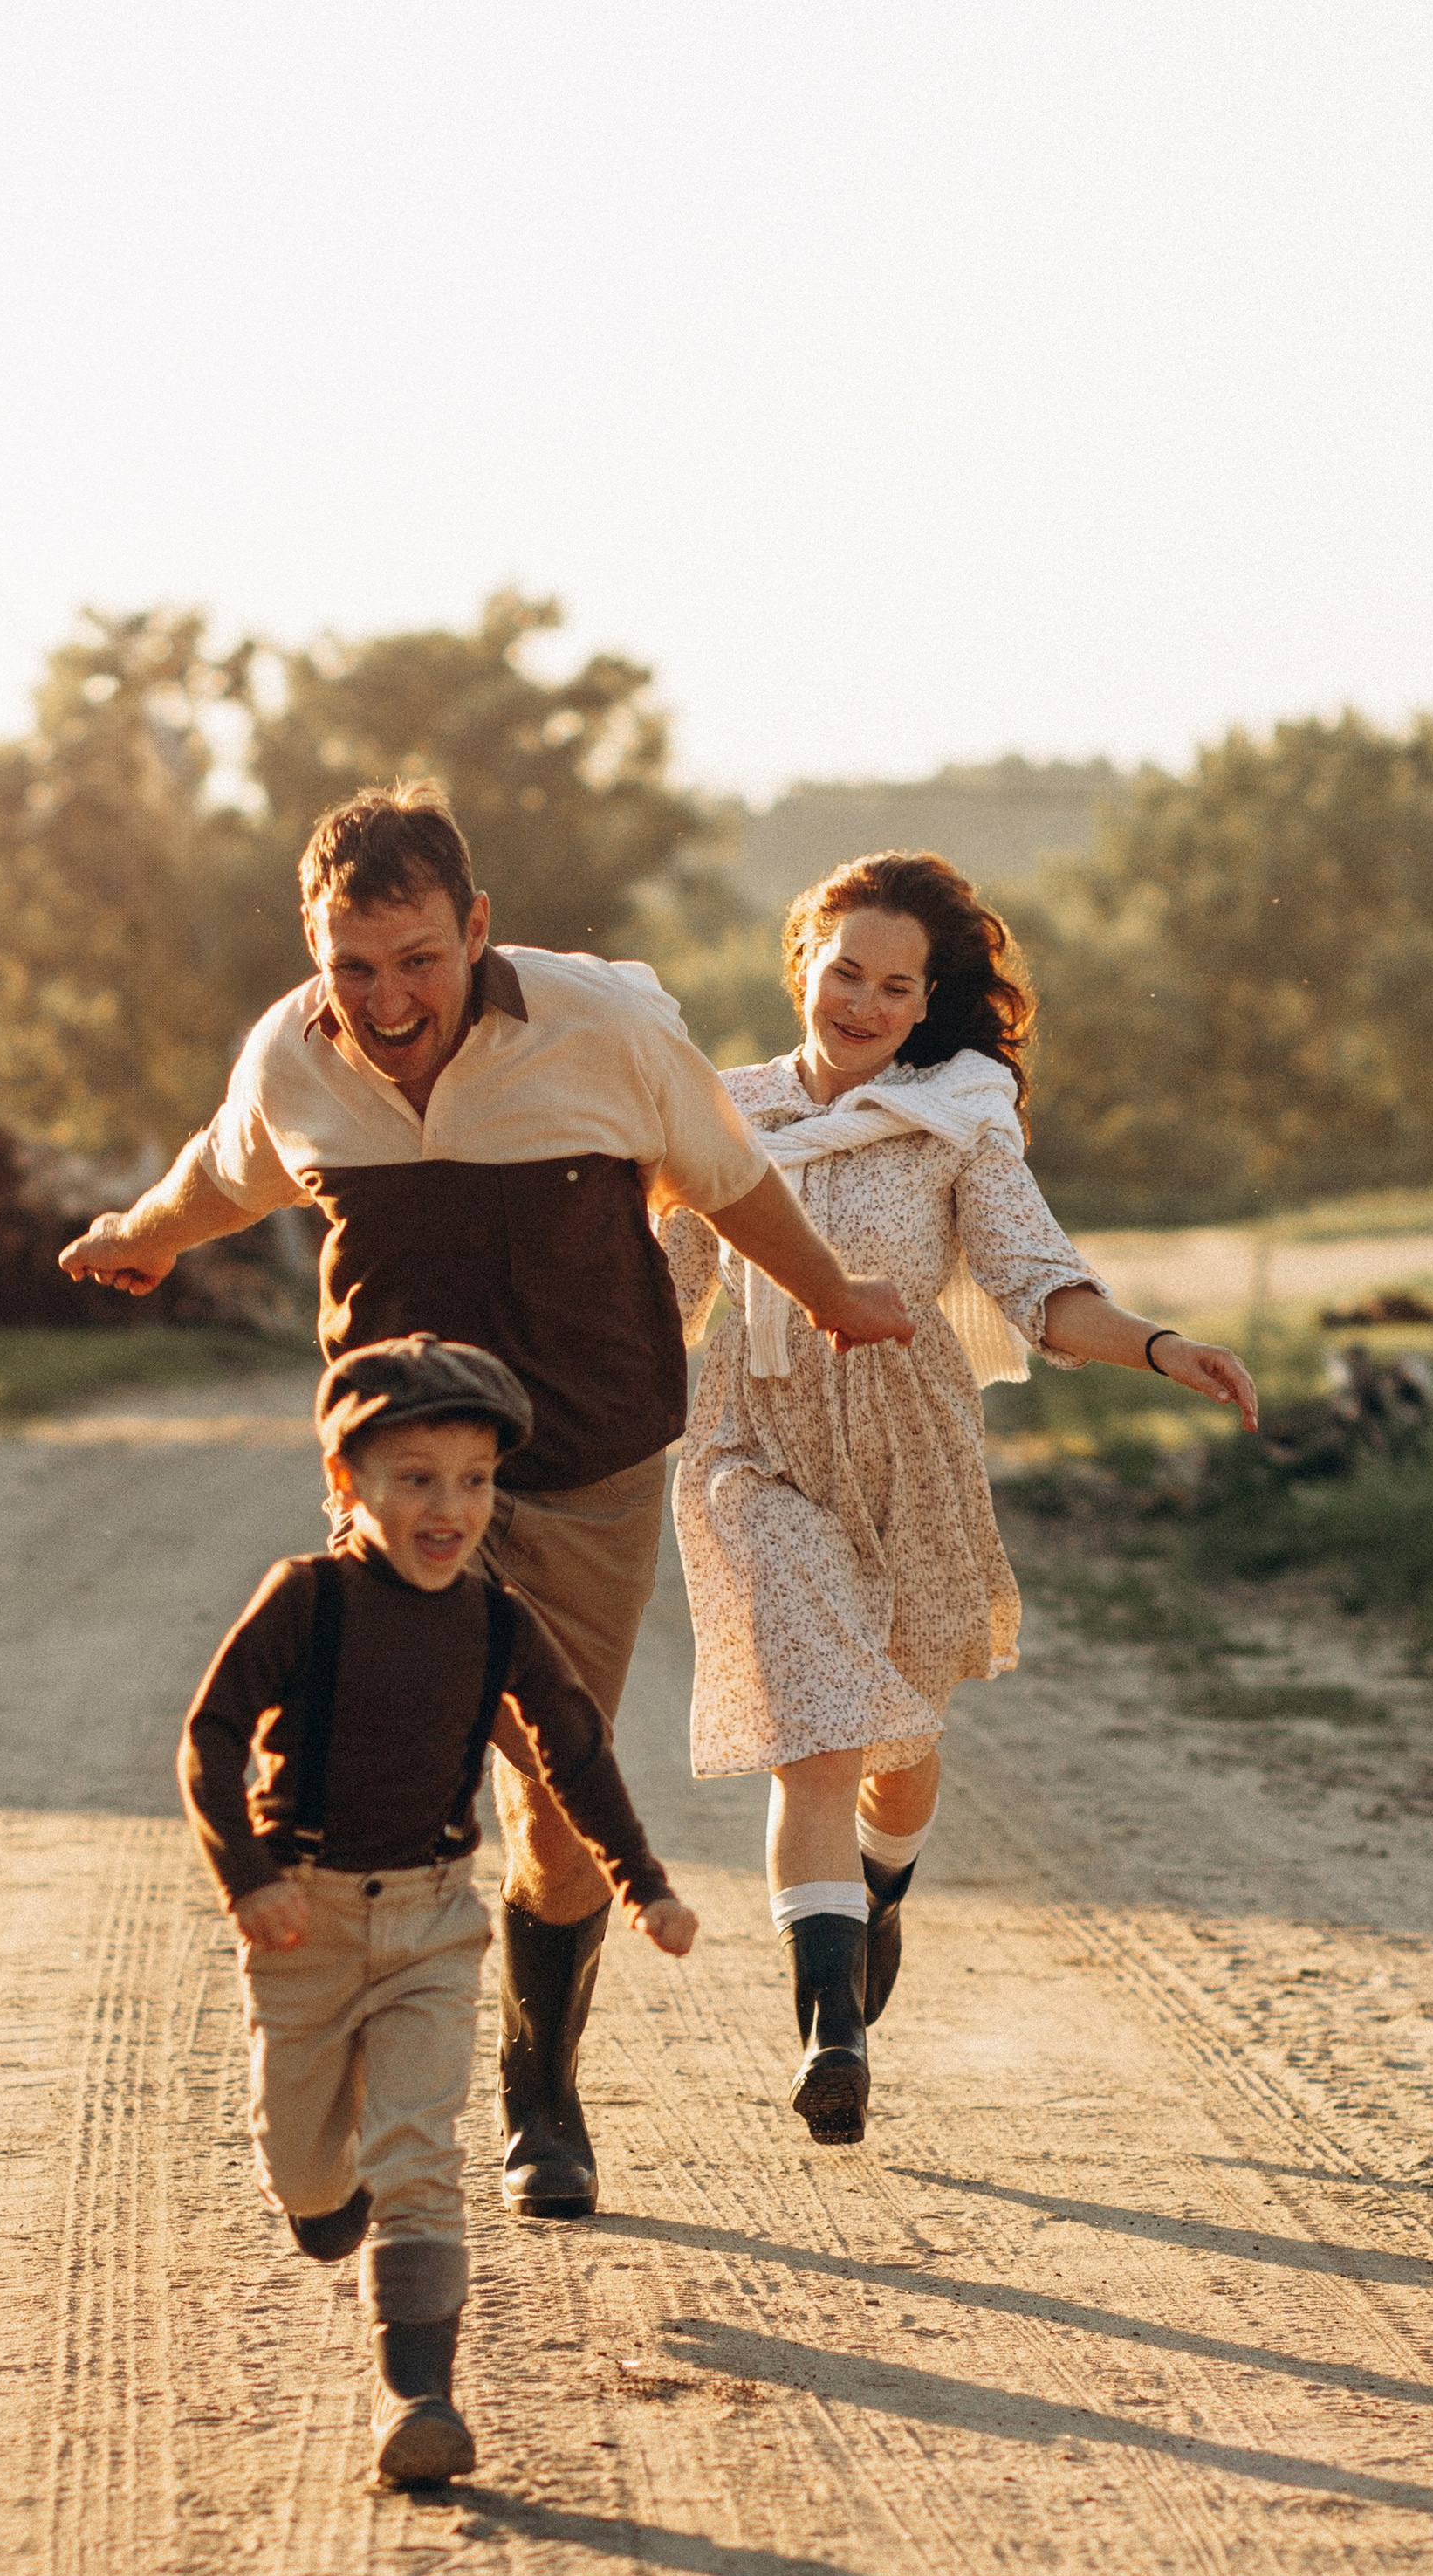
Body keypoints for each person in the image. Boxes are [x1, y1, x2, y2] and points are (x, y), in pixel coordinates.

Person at [65, 780, 912, 2222]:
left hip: (585, 1460)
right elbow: (226, 1168)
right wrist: (142, 1237)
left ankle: (543, 2083)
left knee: (564, 1811)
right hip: (401, 1484)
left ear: (475, 928)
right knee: (367, 1770)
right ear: (315, 947)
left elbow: (729, 1177)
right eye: (352, 964)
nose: (387, 1000)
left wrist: (831, 1294)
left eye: (417, 959)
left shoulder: (607, 1033)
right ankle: (363, 2074)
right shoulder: (296, 1053)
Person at [660, 852, 1259, 2145]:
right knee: (815, 1728)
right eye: (845, 973)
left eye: (895, 986)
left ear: (927, 999)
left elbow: (1040, 1284)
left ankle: (879, 1895)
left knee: (899, 1741)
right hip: (751, 1449)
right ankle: (833, 2033)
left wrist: (1159, 1345)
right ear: (803, 962)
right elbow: (662, 1298)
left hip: (908, 1455)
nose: (864, 1004)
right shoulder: (722, 1114)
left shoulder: (957, 1118)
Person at [179, 1334, 697, 2490]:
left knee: (422, 2154)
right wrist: (247, 1875)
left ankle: (420, 2397)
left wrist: (642, 1879)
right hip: (303, 1918)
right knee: (306, 2182)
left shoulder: (495, 1617)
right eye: (416, 1478)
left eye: (473, 1480)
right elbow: (210, 1735)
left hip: (428, 1922)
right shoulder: (302, 1601)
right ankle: (334, 2191)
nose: (449, 1507)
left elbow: (573, 1747)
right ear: (345, 1484)